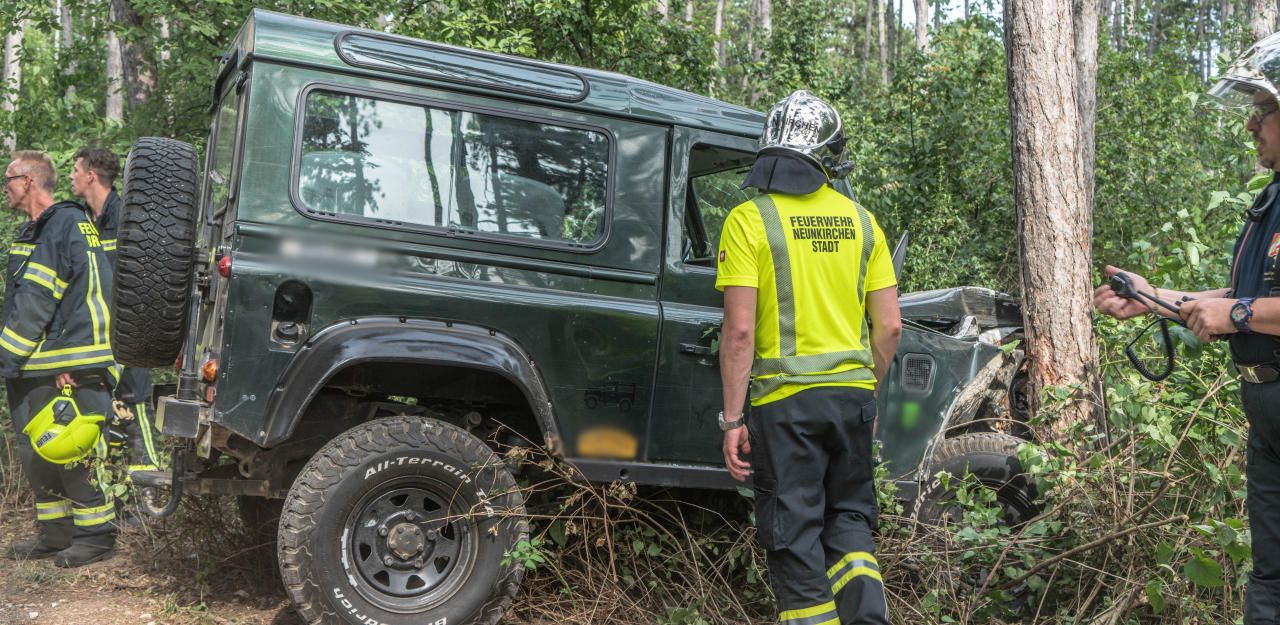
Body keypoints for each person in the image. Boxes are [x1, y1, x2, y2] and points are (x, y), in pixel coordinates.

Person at [1094, 33, 1280, 624]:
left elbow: (1241, 309)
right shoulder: (1271, 199)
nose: (1252, 126)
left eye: (1264, 111)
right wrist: (1151, 297)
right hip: (1265, 407)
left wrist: (1241, 315)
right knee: (1270, 577)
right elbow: (1235, 298)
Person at [716, 90, 902, 625]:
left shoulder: (749, 220)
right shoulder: (864, 222)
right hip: (851, 403)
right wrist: (865, 391)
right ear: (827, 155)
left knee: (793, 532)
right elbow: (889, 327)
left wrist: (733, 419)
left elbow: (740, 331)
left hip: (785, 407)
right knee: (849, 522)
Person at [2, 150, 118, 567]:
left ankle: (95, 535)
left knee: (69, 450)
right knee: (37, 453)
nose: (5, 188)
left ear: (29, 181)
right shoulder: (42, 229)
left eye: (9, 179)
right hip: (42, 363)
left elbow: (36, 303)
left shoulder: (61, 224)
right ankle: (55, 533)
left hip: (61, 364)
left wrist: (6, 357)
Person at [69, 147, 159, 477]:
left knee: (134, 403)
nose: (71, 176)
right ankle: (108, 489)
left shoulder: (127, 219)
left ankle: (148, 492)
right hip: (91, 335)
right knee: (97, 407)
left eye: (75, 170)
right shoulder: (78, 222)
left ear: (91, 175)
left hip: (128, 332)